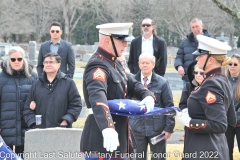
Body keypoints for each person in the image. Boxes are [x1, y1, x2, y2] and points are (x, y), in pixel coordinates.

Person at [80, 23, 155, 159]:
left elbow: (132, 83)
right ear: (108, 40)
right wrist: (107, 126)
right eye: (122, 40)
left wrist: (147, 95)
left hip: (119, 135)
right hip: (102, 137)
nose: (126, 44)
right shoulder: (98, 65)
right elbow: (97, 96)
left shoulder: (114, 63)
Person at [176, 35, 236, 160]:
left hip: (204, 151)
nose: (196, 58)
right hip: (216, 147)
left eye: (200, 55)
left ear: (210, 60)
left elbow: (220, 124)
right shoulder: (223, 79)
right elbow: (231, 120)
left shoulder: (211, 83)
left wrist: (190, 122)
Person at [128, 53, 174, 160]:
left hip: (157, 129)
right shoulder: (131, 82)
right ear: (139, 64)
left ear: (153, 65)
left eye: (147, 63)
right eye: (142, 63)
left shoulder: (162, 83)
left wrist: (169, 128)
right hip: (136, 129)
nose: (145, 65)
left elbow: (169, 106)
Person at [23, 53, 82, 128]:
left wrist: (66, 121)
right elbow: (27, 109)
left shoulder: (68, 83)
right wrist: (33, 124)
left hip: (61, 131)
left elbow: (76, 105)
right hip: (40, 132)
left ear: (58, 65)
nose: (48, 64)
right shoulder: (36, 85)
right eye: (46, 62)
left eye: (51, 62)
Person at [0, 46, 38, 157]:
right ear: (8, 60)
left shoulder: (33, 77)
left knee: (24, 156)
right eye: (13, 59)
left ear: (23, 59)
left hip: (26, 124)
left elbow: (39, 97)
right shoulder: (1, 78)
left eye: (19, 59)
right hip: (6, 125)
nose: (16, 62)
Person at [174, 18, 210, 86]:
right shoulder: (185, 42)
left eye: (197, 26)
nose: (195, 29)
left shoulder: (210, 41)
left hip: (205, 77)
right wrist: (179, 66)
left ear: (202, 26)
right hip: (188, 78)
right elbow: (179, 56)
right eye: (193, 27)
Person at [178, 61, 204, 141]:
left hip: (205, 124)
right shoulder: (188, 86)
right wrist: (187, 116)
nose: (198, 75)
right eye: (196, 72)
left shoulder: (210, 86)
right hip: (190, 122)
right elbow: (182, 104)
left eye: (201, 73)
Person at [225, 54, 240, 160]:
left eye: (235, 64)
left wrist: (235, 116)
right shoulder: (223, 81)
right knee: (226, 151)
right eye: (230, 64)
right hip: (226, 123)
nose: (232, 66)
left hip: (239, 122)